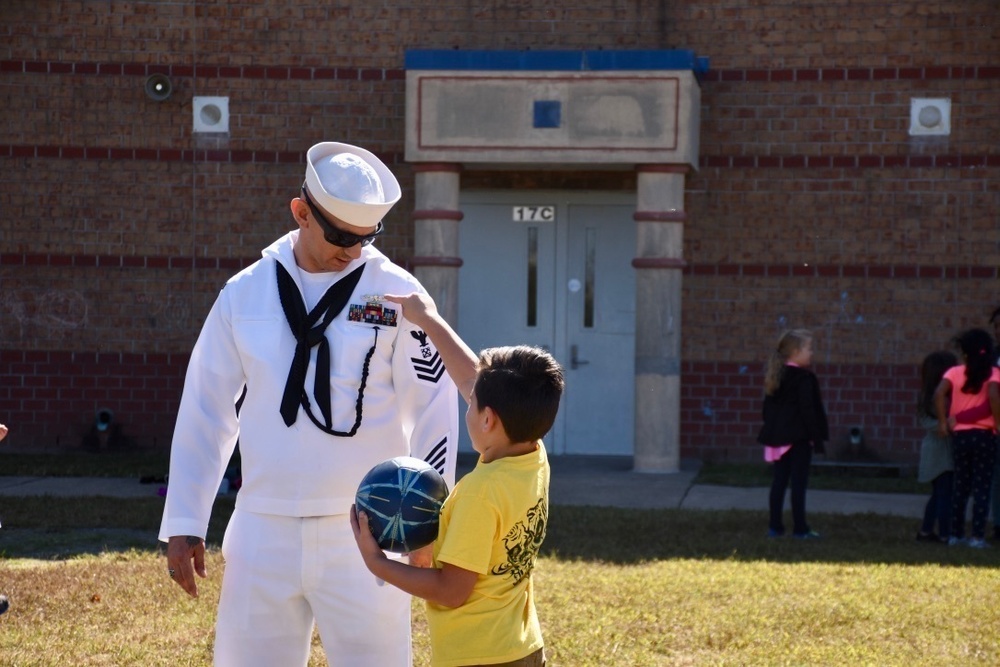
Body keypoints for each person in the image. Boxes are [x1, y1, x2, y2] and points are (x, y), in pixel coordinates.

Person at [159, 142, 460, 666]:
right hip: (261, 526)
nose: (353, 250)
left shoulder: (397, 293)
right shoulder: (244, 293)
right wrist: (185, 519)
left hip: (367, 531)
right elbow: (206, 406)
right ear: (300, 212)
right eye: (341, 236)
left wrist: (428, 523)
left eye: (366, 238)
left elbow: (436, 406)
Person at [351, 291, 563, 667]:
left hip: (479, 657)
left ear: (488, 420)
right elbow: (472, 379)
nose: (467, 405)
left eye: (471, 404)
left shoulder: (479, 494)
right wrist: (428, 318)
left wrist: (377, 563)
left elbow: (452, 592)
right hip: (522, 645)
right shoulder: (533, 455)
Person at [757, 329, 828, 539]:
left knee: (779, 482)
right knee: (798, 484)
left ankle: (775, 527)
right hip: (799, 439)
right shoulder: (805, 378)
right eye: (809, 348)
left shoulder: (775, 375)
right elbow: (809, 410)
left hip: (778, 439)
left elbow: (767, 410)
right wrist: (816, 438)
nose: (812, 353)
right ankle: (800, 529)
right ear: (796, 352)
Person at [933, 328, 1000, 548]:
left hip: (959, 435)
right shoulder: (993, 372)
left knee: (960, 486)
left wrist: (944, 422)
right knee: (982, 487)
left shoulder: (954, 372)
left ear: (964, 352)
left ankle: (955, 535)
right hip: (984, 435)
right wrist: (998, 423)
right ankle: (977, 537)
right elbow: (992, 396)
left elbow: (938, 393)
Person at [915, 351, 958, 543]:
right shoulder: (932, 399)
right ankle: (944, 533)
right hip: (938, 454)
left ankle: (926, 531)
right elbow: (931, 425)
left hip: (941, 453)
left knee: (939, 494)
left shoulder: (937, 396)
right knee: (944, 495)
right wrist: (948, 424)